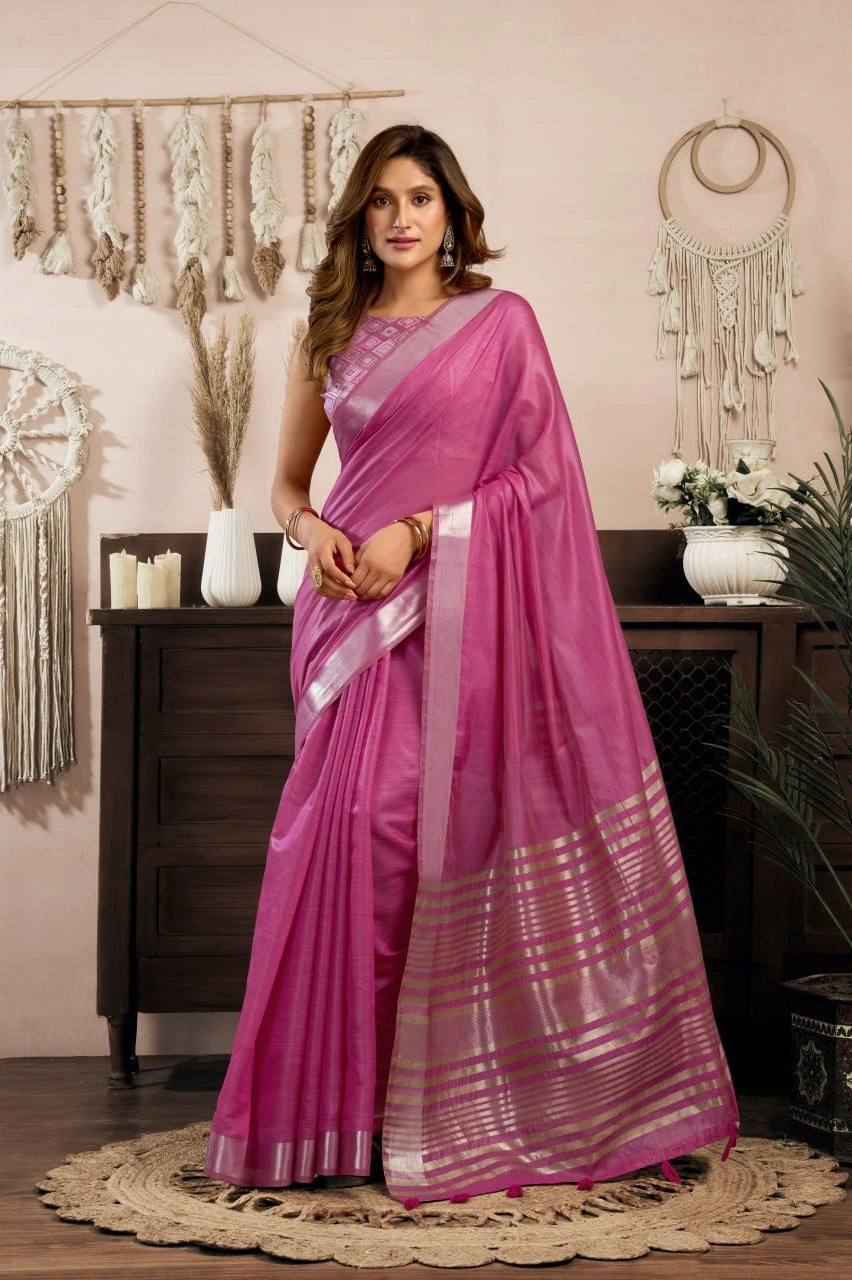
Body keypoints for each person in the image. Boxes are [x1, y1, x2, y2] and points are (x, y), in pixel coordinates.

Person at [203, 124, 740, 1204]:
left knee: (432, 838)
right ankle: (338, 1116)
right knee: (349, 840)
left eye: (420, 198)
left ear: (450, 212)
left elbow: (543, 479)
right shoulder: (328, 333)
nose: (400, 217)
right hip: (349, 616)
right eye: (381, 200)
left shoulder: (501, 325)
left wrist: (419, 532)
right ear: (359, 218)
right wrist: (315, 534)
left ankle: (445, 1106)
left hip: (461, 619)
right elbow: (288, 489)